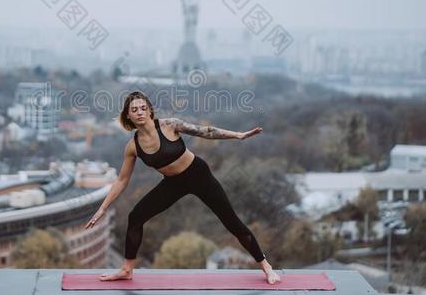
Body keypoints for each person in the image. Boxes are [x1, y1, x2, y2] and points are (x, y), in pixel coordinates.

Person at [85, 91, 281, 284]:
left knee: (232, 222)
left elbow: (207, 132)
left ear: (150, 111)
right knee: (135, 217)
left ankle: (265, 266)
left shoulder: (170, 125)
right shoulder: (132, 147)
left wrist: (238, 135)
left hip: (199, 175)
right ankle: (127, 270)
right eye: (134, 109)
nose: (140, 112)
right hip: (173, 183)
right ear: (128, 115)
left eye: (143, 108)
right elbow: (122, 180)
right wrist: (103, 208)